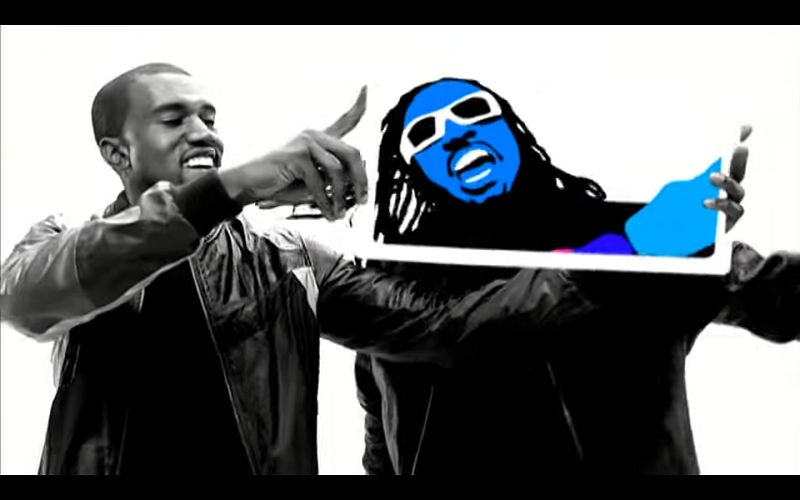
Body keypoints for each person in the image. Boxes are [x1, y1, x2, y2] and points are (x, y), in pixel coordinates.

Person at [0, 64, 609, 475]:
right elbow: (25, 301)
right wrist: (231, 188)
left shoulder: (289, 260)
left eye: (209, 118)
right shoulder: (60, 240)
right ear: (117, 152)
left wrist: (629, 244)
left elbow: (450, 325)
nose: (203, 133)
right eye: (175, 119)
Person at [355, 77, 799, 474]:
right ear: (415, 169)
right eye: (425, 133)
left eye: (471, 110)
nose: (455, 133)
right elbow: (381, 430)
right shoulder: (392, 282)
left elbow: (774, 298)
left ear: (511, 130)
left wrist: (699, 242)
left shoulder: (642, 233)